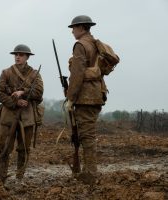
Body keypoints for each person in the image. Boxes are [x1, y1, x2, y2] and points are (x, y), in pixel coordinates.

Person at [66, 15, 107, 184]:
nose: (72, 31)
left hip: (85, 98)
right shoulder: (95, 44)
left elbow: (77, 74)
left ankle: (90, 174)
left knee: (87, 137)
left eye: (74, 28)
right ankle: (88, 172)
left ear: (82, 28)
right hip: (96, 94)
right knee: (87, 135)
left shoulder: (80, 45)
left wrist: (70, 98)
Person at [0, 44, 43, 183]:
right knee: (4, 147)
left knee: (24, 149)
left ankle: (19, 178)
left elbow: (39, 93)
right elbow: (0, 94)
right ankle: (1, 176)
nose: (18, 57)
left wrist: (24, 92)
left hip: (27, 117)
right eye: (16, 54)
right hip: (8, 116)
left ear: (27, 57)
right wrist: (15, 103)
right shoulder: (6, 72)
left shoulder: (35, 74)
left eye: (21, 55)